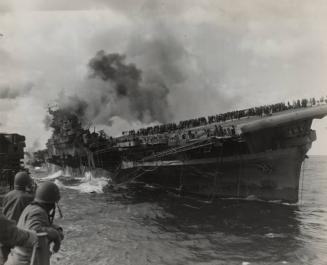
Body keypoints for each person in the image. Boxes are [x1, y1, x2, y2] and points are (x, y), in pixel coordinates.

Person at [5, 181, 64, 265]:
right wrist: (54, 234)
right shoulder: (39, 212)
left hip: (16, 259)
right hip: (26, 261)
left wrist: (57, 229)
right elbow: (33, 230)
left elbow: (41, 225)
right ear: (51, 203)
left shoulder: (31, 208)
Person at [1, 172, 35, 263]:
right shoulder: (27, 197)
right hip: (17, 231)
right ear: (26, 183)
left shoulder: (8, 195)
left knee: (4, 259)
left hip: (4, 230)